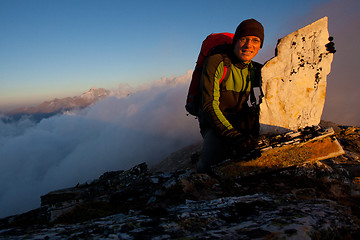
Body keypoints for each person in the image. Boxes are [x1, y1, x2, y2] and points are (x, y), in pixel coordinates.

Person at [197, 19, 264, 173]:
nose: (249, 45)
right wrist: (233, 136)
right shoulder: (217, 62)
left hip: (240, 118)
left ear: (260, 45)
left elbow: (286, 76)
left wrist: (321, 52)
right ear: (235, 41)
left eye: (255, 40)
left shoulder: (256, 69)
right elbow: (209, 105)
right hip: (214, 122)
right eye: (243, 39)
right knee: (209, 166)